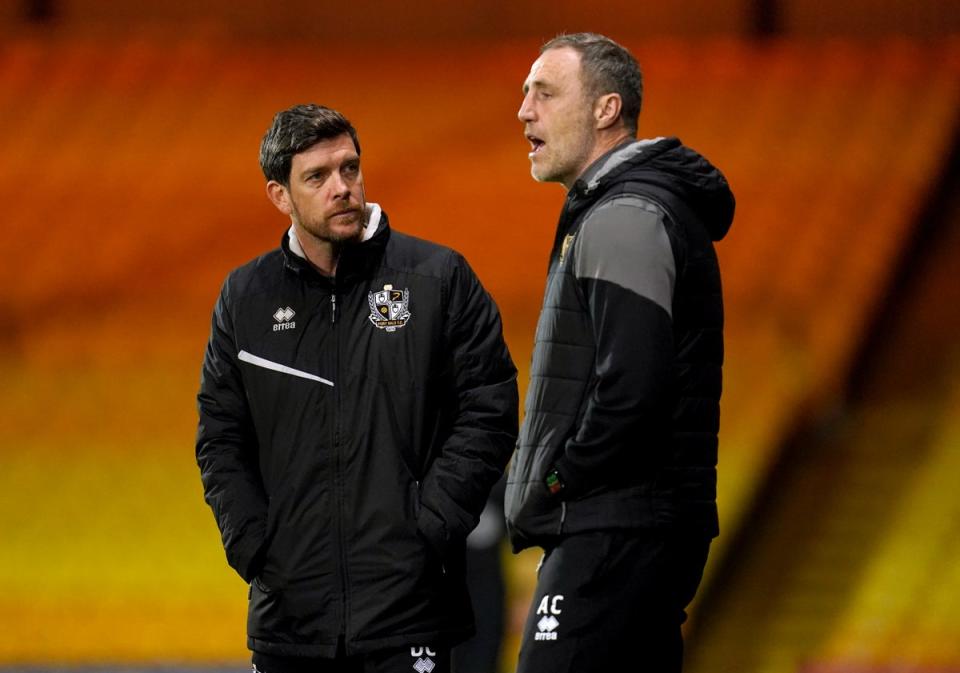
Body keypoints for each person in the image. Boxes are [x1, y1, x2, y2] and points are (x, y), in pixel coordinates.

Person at [196, 104, 519, 673]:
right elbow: (221, 435)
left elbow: (489, 407)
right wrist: (254, 544)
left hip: (409, 611)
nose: (341, 188)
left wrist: (431, 526)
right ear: (280, 195)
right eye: (317, 177)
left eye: (350, 168)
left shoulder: (437, 279)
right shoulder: (245, 298)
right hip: (290, 619)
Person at [504, 33, 735, 673]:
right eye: (525, 93)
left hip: (615, 523)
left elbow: (632, 389)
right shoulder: (626, 208)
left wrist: (558, 477)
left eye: (544, 94)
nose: (524, 110)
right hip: (638, 521)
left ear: (607, 110)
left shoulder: (624, 212)